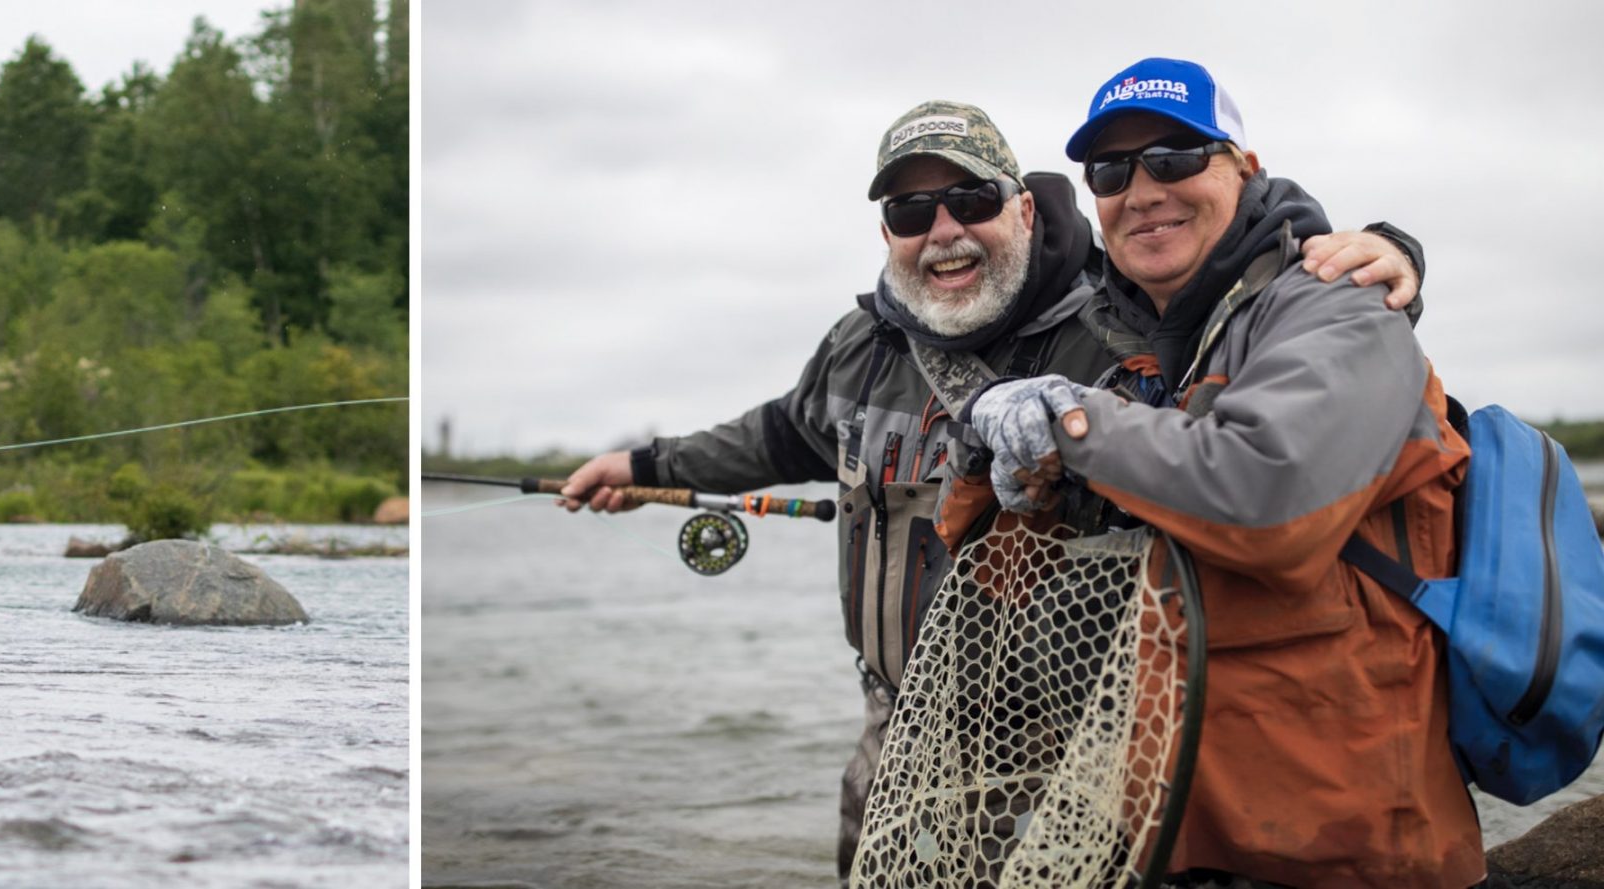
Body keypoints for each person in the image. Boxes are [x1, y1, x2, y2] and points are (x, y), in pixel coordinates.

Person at [555, 99, 1425, 879]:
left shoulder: (1127, 320)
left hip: (1079, 753)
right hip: (894, 734)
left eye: (970, 201)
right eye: (909, 211)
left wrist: (1389, 251)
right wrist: (642, 467)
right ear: (887, 232)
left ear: (1021, 205)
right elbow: (781, 432)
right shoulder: (859, 344)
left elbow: (1264, 324)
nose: (943, 231)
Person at [964, 58, 1481, 887]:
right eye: (1111, 170)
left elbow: (1265, 498)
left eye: (1175, 157)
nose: (1142, 189)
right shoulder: (1135, 342)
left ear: (1244, 167)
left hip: (1346, 848)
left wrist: (1069, 417)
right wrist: (987, 436)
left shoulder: (1340, 300)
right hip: (1182, 827)